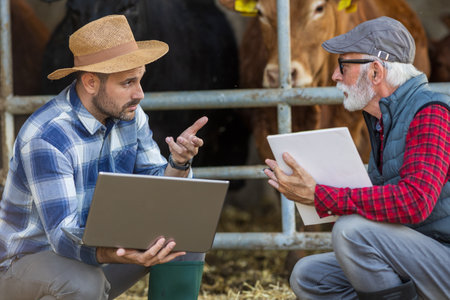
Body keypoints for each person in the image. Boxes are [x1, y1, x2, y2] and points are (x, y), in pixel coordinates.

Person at [0, 15, 208, 299]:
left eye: (140, 80)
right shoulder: (47, 136)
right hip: (26, 266)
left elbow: (157, 188)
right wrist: (124, 254)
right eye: (127, 83)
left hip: (99, 251)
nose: (140, 94)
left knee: (183, 236)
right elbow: (63, 238)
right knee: (84, 283)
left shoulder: (129, 116)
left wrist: (178, 163)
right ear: (90, 83)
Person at [264, 16, 450, 300]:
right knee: (308, 275)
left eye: (343, 66)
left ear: (375, 72)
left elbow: (415, 201)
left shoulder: (431, 113)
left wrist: (321, 196)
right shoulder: (383, 119)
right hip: (421, 249)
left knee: (351, 231)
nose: (335, 77)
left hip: (442, 252)